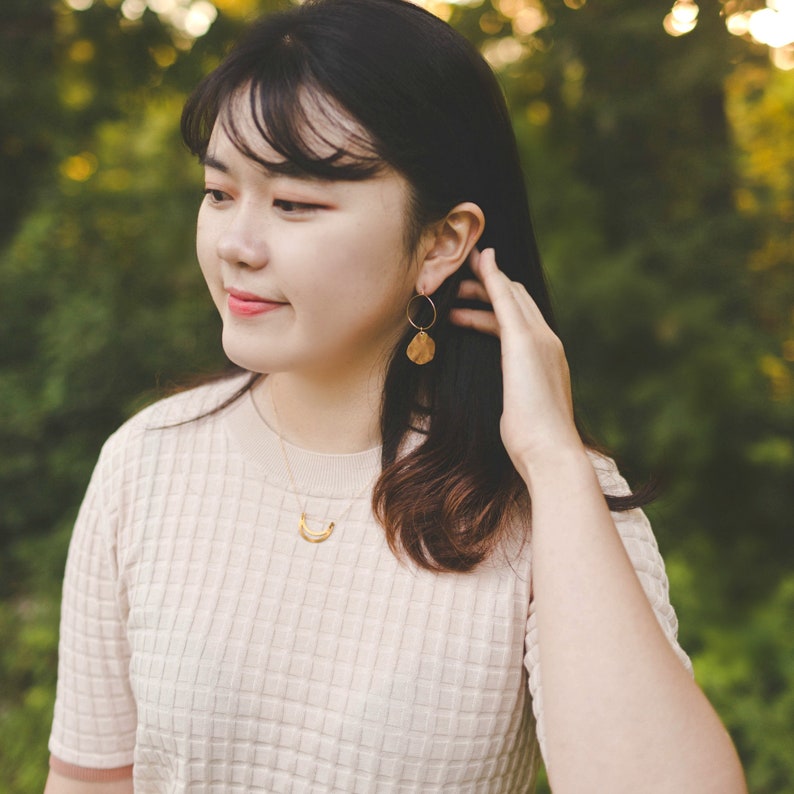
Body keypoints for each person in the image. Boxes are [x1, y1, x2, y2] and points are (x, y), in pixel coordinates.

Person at [44, 0, 747, 791]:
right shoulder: (148, 461)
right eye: (218, 192)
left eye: (296, 204)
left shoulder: (550, 502)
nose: (236, 246)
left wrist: (552, 461)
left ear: (442, 241)